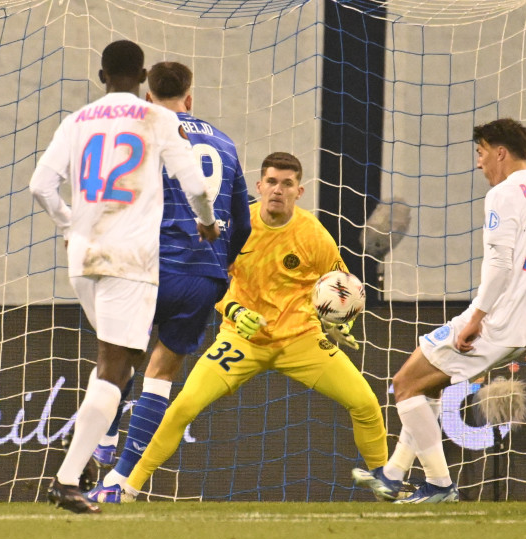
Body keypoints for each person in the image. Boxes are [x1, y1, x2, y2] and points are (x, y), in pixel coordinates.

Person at [111, 152, 388, 499]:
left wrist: (342, 322)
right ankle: (128, 487)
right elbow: (209, 280)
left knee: (365, 403)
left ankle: (384, 486)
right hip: (242, 341)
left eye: (287, 184)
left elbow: (341, 286)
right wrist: (235, 310)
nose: (278, 190)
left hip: (300, 339)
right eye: (271, 182)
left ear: (299, 191)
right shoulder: (237, 227)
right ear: (259, 186)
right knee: (183, 406)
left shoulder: (315, 236)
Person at [353, 118, 526, 504]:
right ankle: (393, 474)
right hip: (519, 330)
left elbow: (500, 267)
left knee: (405, 384)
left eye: (480, 153)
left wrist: (475, 319)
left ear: (500, 152)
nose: (479, 164)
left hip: (493, 322)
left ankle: (441, 485)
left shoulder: (503, 194)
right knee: (425, 387)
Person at [30, 41, 219, 514]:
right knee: (115, 366)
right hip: (128, 259)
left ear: (101, 75)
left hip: (82, 257)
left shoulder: (75, 121)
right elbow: (194, 182)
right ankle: (69, 477)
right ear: (142, 76)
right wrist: (207, 220)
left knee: (123, 361)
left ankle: (86, 456)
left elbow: (40, 185)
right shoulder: (155, 118)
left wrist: (69, 221)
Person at [83, 61, 253, 503]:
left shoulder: (142, 132)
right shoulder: (227, 143)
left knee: (119, 355)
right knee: (161, 372)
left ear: (147, 98)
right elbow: (244, 223)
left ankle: (104, 436)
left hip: (147, 266)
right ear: (190, 98)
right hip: (202, 274)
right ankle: (120, 482)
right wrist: (220, 265)